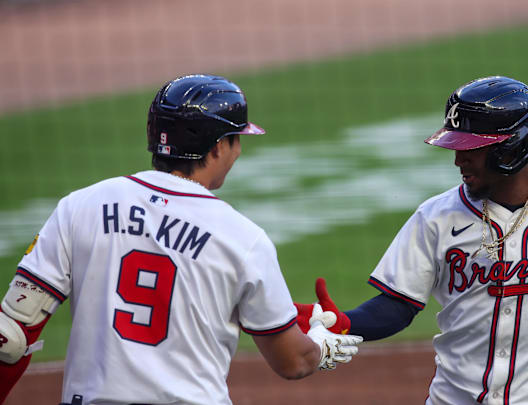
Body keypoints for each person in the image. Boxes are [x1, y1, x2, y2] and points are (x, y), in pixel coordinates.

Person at [296, 76, 528, 404]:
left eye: (471, 147)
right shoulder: (435, 217)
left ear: (512, 146)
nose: (458, 159)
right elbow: (398, 304)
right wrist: (345, 321)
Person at [0, 74, 362, 405]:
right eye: (238, 140)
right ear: (219, 146)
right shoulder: (242, 238)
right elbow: (293, 362)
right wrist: (318, 345)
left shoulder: (79, 206)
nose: (238, 152)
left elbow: (12, 334)